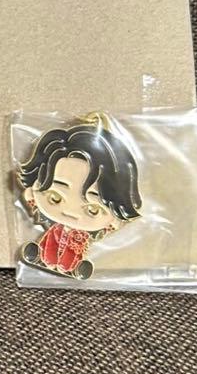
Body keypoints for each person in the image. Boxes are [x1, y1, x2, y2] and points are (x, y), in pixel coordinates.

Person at [18, 116, 142, 279]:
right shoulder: (52, 221)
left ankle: (71, 265)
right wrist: (30, 194)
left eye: (92, 209)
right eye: (55, 198)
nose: (69, 212)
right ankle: (43, 256)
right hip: (55, 233)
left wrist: (115, 222)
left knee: (73, 250)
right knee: (51, 241)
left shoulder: (88, 232)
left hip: (79, 240)